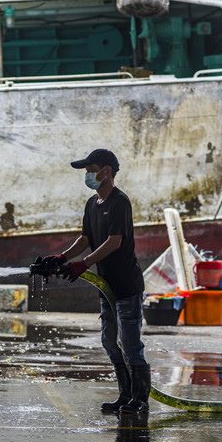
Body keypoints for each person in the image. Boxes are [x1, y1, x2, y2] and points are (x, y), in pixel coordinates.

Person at [38, 149, 150, 416]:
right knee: (110, 342)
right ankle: (125, 396)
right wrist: (61, 257)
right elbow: (86, 238)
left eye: (92, 169)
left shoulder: (120, 202)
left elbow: (114, 241)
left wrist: (84, 264)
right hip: (107, 286)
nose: (88, 175)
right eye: (87, 171)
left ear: (107, 171)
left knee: (131, 345)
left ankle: (140, 401)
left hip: (126, 286)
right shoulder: (92, 203)